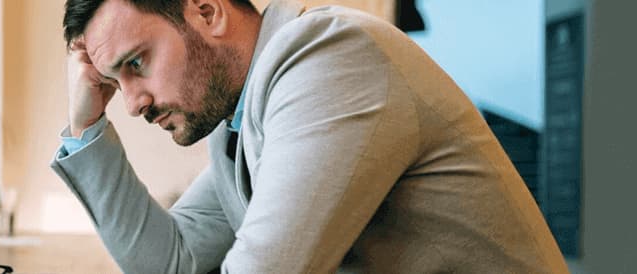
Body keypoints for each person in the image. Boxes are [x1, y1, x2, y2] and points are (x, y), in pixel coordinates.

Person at [49, 0, 570, 273]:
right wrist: (86, 125)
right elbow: (173, 260)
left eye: (137, 63)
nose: (134, 100)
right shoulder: (238, 117)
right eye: (116, 80)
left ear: (205, 12)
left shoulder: (330, 55)